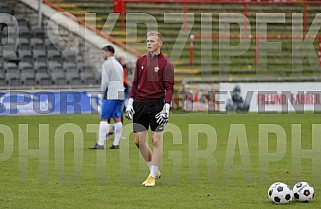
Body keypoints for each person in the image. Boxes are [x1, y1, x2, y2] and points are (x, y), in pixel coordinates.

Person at [125, 31, 174, 187]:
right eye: (147, 41)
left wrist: (166, 108)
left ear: (160, 43)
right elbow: (134, 83)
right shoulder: (140, 61)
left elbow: (169, 88)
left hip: (157, 105)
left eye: (152, 41)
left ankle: (152, 176)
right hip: (139, 103)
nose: (148, 43)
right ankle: (154, 170)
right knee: (138, 141)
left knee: (156, 140)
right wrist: (130, 102)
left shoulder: (166, 64)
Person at [89, 45, 124, 150]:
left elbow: (105, 81)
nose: (102, 55)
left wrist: (102, 92)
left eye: (103, 52)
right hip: (120, 93)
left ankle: (100, 144)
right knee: (117, 118)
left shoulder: (107, 64)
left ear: (108, 52)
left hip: (111, 93)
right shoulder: (119, 64)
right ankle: (116, 143)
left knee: (104, 117)